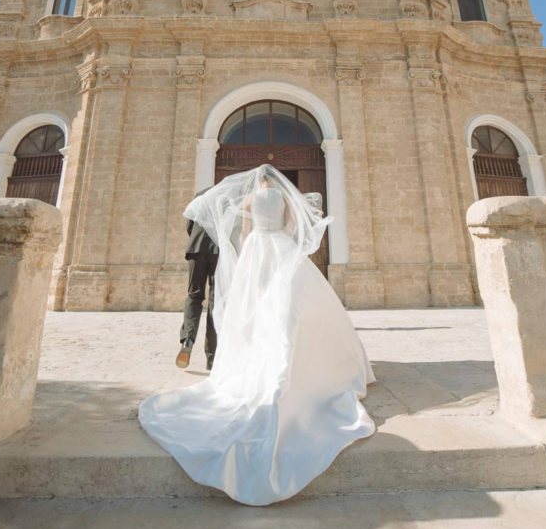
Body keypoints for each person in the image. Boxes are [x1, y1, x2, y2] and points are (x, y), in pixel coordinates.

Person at [139, 164, 375, 506]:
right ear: (276, 181)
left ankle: (214, 350)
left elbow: (246, 231)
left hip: (258, 250)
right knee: (287, 306)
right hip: (279, 245)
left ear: (257, 180)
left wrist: (251, 249)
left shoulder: (249, 199)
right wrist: (285, 239)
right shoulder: (283, 197)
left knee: (252, 305)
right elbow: (294, 226)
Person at [176, 193, 218, 371]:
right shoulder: (225, 199)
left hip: (196, 248)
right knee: (215, 302)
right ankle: (211, 357)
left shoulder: (200, 197)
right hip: (218, 251)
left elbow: (189, 224)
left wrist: (196, 240)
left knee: (194, 296)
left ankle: (187, 340)